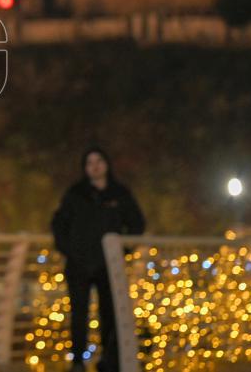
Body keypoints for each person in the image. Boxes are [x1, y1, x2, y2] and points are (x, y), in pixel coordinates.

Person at [51, 145, 145, 372]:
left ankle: (109, 360)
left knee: (110, 313)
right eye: (89, 163)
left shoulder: (119, 193)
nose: (94, 166)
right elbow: (58, 224)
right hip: (78, 266)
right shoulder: (75, 193)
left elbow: (137, 223)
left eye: (98, 161)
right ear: (85, 168)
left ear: (106, 164)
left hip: (109, 266)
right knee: (79, 314)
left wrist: (123, 251)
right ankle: (78, 361)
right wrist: (70, 250)